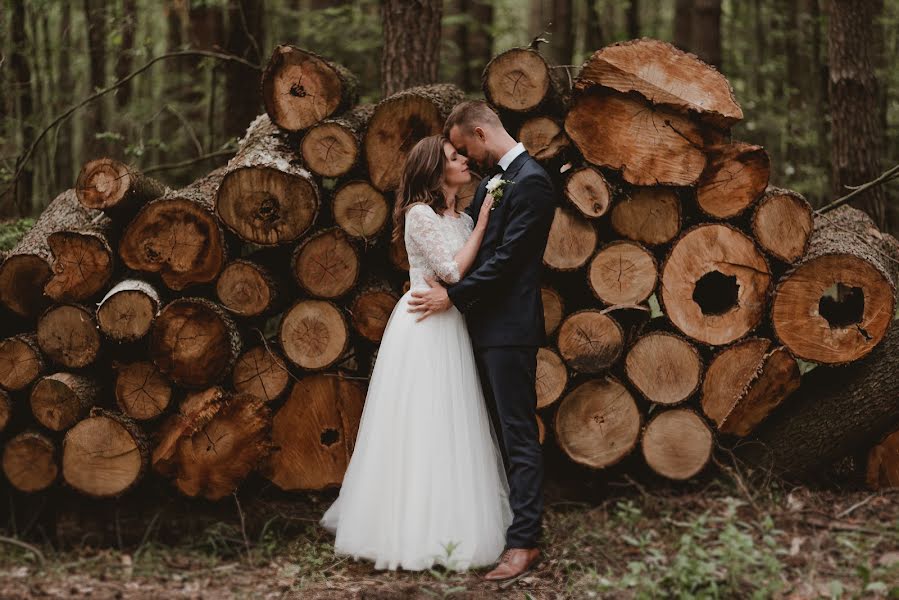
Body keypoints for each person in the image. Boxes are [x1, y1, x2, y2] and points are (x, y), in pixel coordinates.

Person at [320, 135, 512, 572]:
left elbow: (472, 271)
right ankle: (408, 529)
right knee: (421, 423)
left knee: (452, 423)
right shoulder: (419, 215)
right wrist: (483, 222)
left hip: (451, 325)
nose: (464, 160)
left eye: (462, 154)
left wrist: (474, 222)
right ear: (433, 169)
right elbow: (449, 270)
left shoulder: (457, 217)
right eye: (453, 157)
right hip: (424, 328)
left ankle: (451, 522)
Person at [408, 100, 556, 581]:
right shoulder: (499, 181)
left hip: (509, 328)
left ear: (478, 132)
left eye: (461, 147)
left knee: (516, 431)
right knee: (488, 432)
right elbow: (464, 246)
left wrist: (453, 297)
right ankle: (493, 527)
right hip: (479, 327)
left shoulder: (532, 181)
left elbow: (510, 260)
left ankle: (524, 543)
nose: (464, 158)